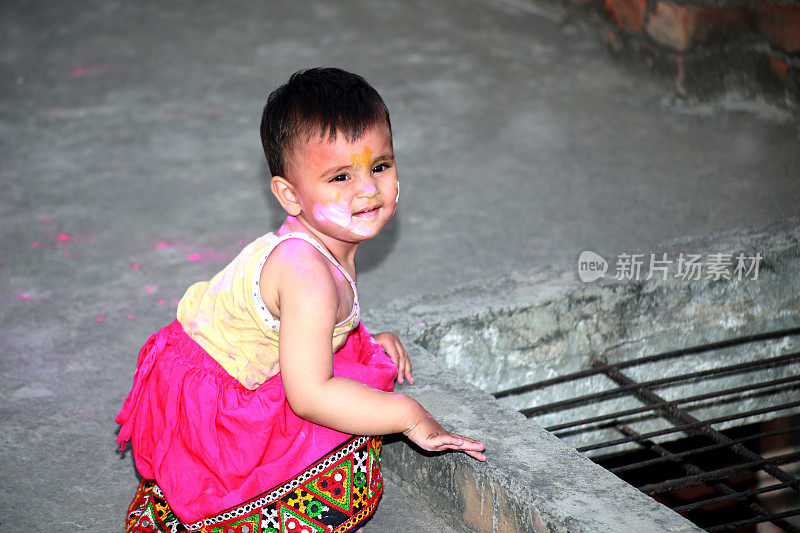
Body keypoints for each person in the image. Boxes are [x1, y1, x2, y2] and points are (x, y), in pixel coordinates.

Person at [116, 68, 485, 533]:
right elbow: (309, 396)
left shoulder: (324, 247)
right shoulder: (306, 272)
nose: (367, 189)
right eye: (339, 177)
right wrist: (409, 417)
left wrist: (358, 337)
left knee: (359, 376)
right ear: (290, 196)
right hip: (212, 407)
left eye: (380, 166)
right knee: (347, 466)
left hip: (230, 363)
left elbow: (314, 322)